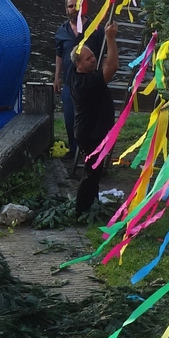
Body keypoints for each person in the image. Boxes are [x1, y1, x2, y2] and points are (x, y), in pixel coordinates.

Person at [70, 18, 119, 216]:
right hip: (90, 133)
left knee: (95, 172)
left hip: (92, 130)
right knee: (91, 173)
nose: (93, 60)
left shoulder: (78, 73)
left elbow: (106, 64)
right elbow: (112, 67)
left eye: (93, 57)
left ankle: (92, 203)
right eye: (89, 59)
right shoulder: (84, 83)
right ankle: (80, 210)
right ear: (79, 64)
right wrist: (110, 38)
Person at [54, 0, 104, 158]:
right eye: (70, 6)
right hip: (69, 83)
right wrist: (57, 77)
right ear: (66, 9)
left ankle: (92, 152)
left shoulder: (96, 29)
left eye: (77, 5)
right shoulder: (61, 31)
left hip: (89, 82)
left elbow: (104, 54)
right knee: (70, 118)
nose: (74, 9)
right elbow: (59, 54)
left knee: (91, 118)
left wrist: (102, 77)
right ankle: (74, 151)